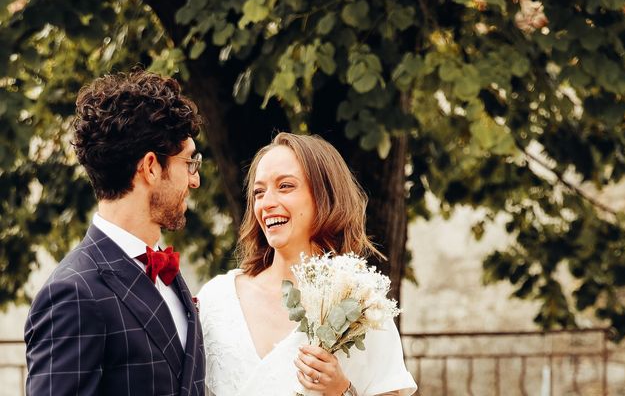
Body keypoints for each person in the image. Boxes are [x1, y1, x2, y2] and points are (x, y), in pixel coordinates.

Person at [24, 70, 206, 395]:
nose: (194, 180)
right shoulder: (73, 294)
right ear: (151, 167)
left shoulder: (167, 275)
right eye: (189, 163)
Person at [198, 132, 416, 396]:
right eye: (258, 192)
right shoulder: (217, 299)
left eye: (285, 186)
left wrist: (340, 390)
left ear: (324, 196)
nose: (267, 203)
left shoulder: (361, 304)